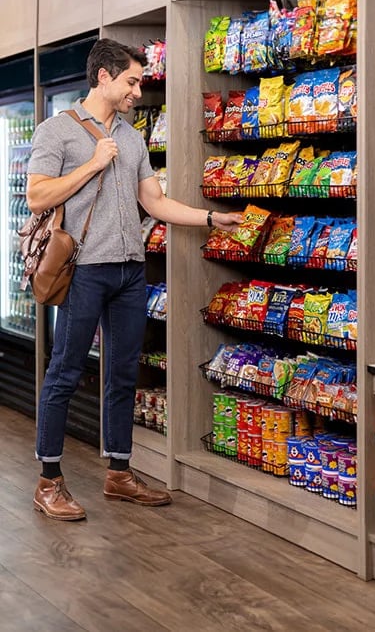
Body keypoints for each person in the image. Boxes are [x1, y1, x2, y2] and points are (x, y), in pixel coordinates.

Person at [26, 38, 243, 521]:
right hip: (82, 270)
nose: (138, 91)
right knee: (64, 373)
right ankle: (49, 480)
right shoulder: (56, 132)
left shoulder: (131, 137)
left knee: (124, 372)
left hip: (129, 271)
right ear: (103, 77)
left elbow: (155, 203)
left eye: (139, 81)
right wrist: (92, 164)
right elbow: (37, 197)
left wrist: (211, 219)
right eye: (131, 81)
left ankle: (119, 472)